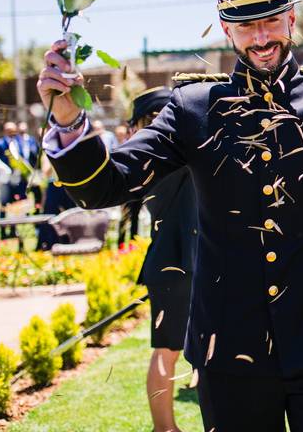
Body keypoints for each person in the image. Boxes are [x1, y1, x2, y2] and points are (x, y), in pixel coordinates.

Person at [37, 0, 303, 432]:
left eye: (269, 21)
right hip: (228, 352)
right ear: (226, 30)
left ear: (292, 19)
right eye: (245, 26)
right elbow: (107, 183)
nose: (260, 38)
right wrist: (67, 119)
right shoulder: (193, 108)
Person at [125, 86, 198, 432]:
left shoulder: (145, 157)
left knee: (171, 348)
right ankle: (164, 428)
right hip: (177, 264)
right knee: (167, 350)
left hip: (177, 262)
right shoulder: (169, 153)